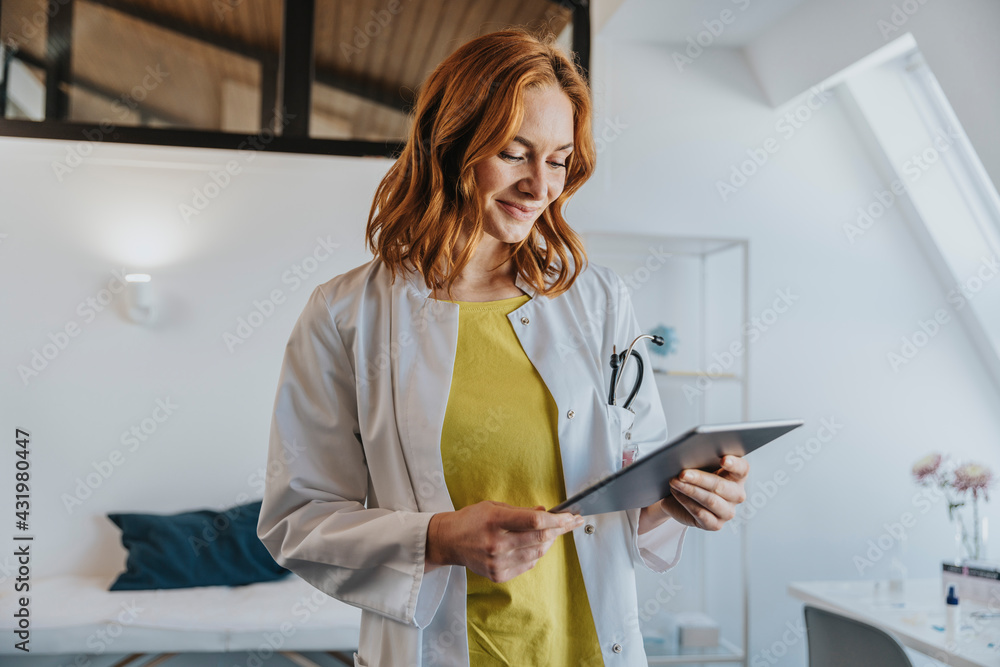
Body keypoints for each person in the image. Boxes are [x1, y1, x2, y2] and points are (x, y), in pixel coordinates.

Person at [257, 28, 749, 667]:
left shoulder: (596, 300)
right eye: (515, 153)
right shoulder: (347, 314)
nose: (540, 186)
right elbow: (297, 520)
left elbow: (625, 497)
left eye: (559, 159)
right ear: (451, 143)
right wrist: (438, 539)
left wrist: (683, 501)